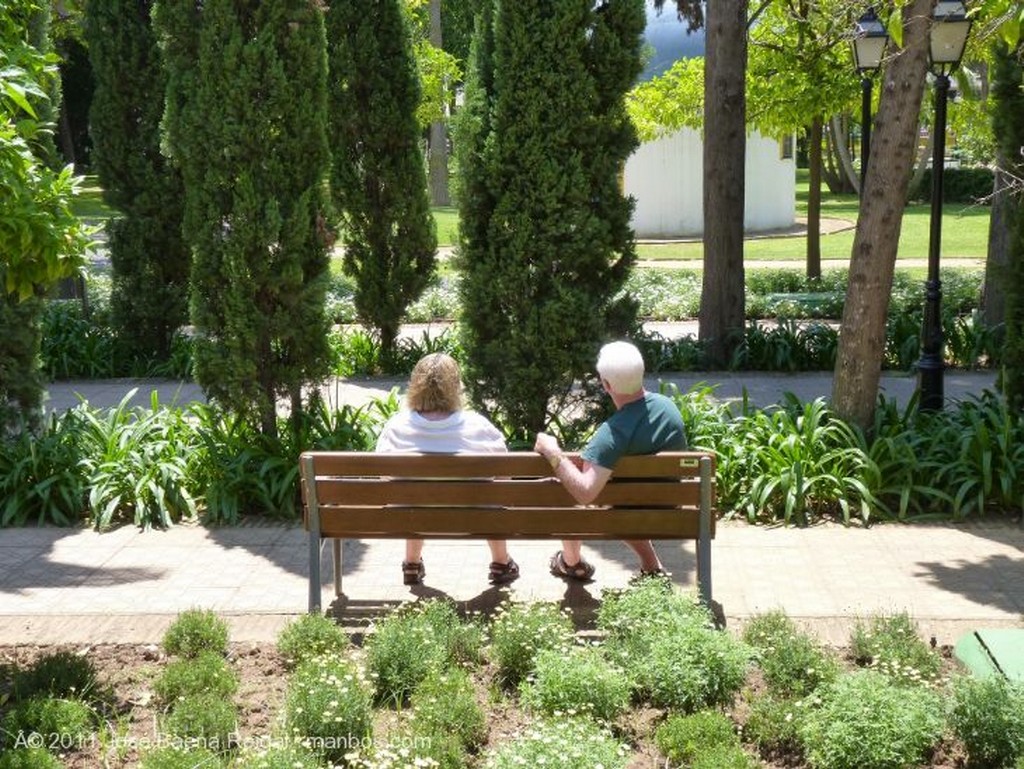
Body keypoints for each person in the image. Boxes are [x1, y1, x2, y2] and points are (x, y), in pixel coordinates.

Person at [534, 340, 687, 581]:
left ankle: (571, 562)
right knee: (622, 498)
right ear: (641, 372)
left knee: (567, 485)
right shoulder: (668, 408)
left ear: (606, 385)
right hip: (670, 510)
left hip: (624, 514)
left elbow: (585, 493)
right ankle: (651, 566)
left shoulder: (611, 434)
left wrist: (553, 452)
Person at [375, 352, 519, 586]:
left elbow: (384, 478)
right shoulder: (477, 425)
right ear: (456, 387)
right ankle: (501, 563)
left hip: (410, 517)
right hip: (473, 518)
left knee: (412, 496)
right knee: (493, 495)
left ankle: (411, 563)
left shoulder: (396, 426)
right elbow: (504, 478)